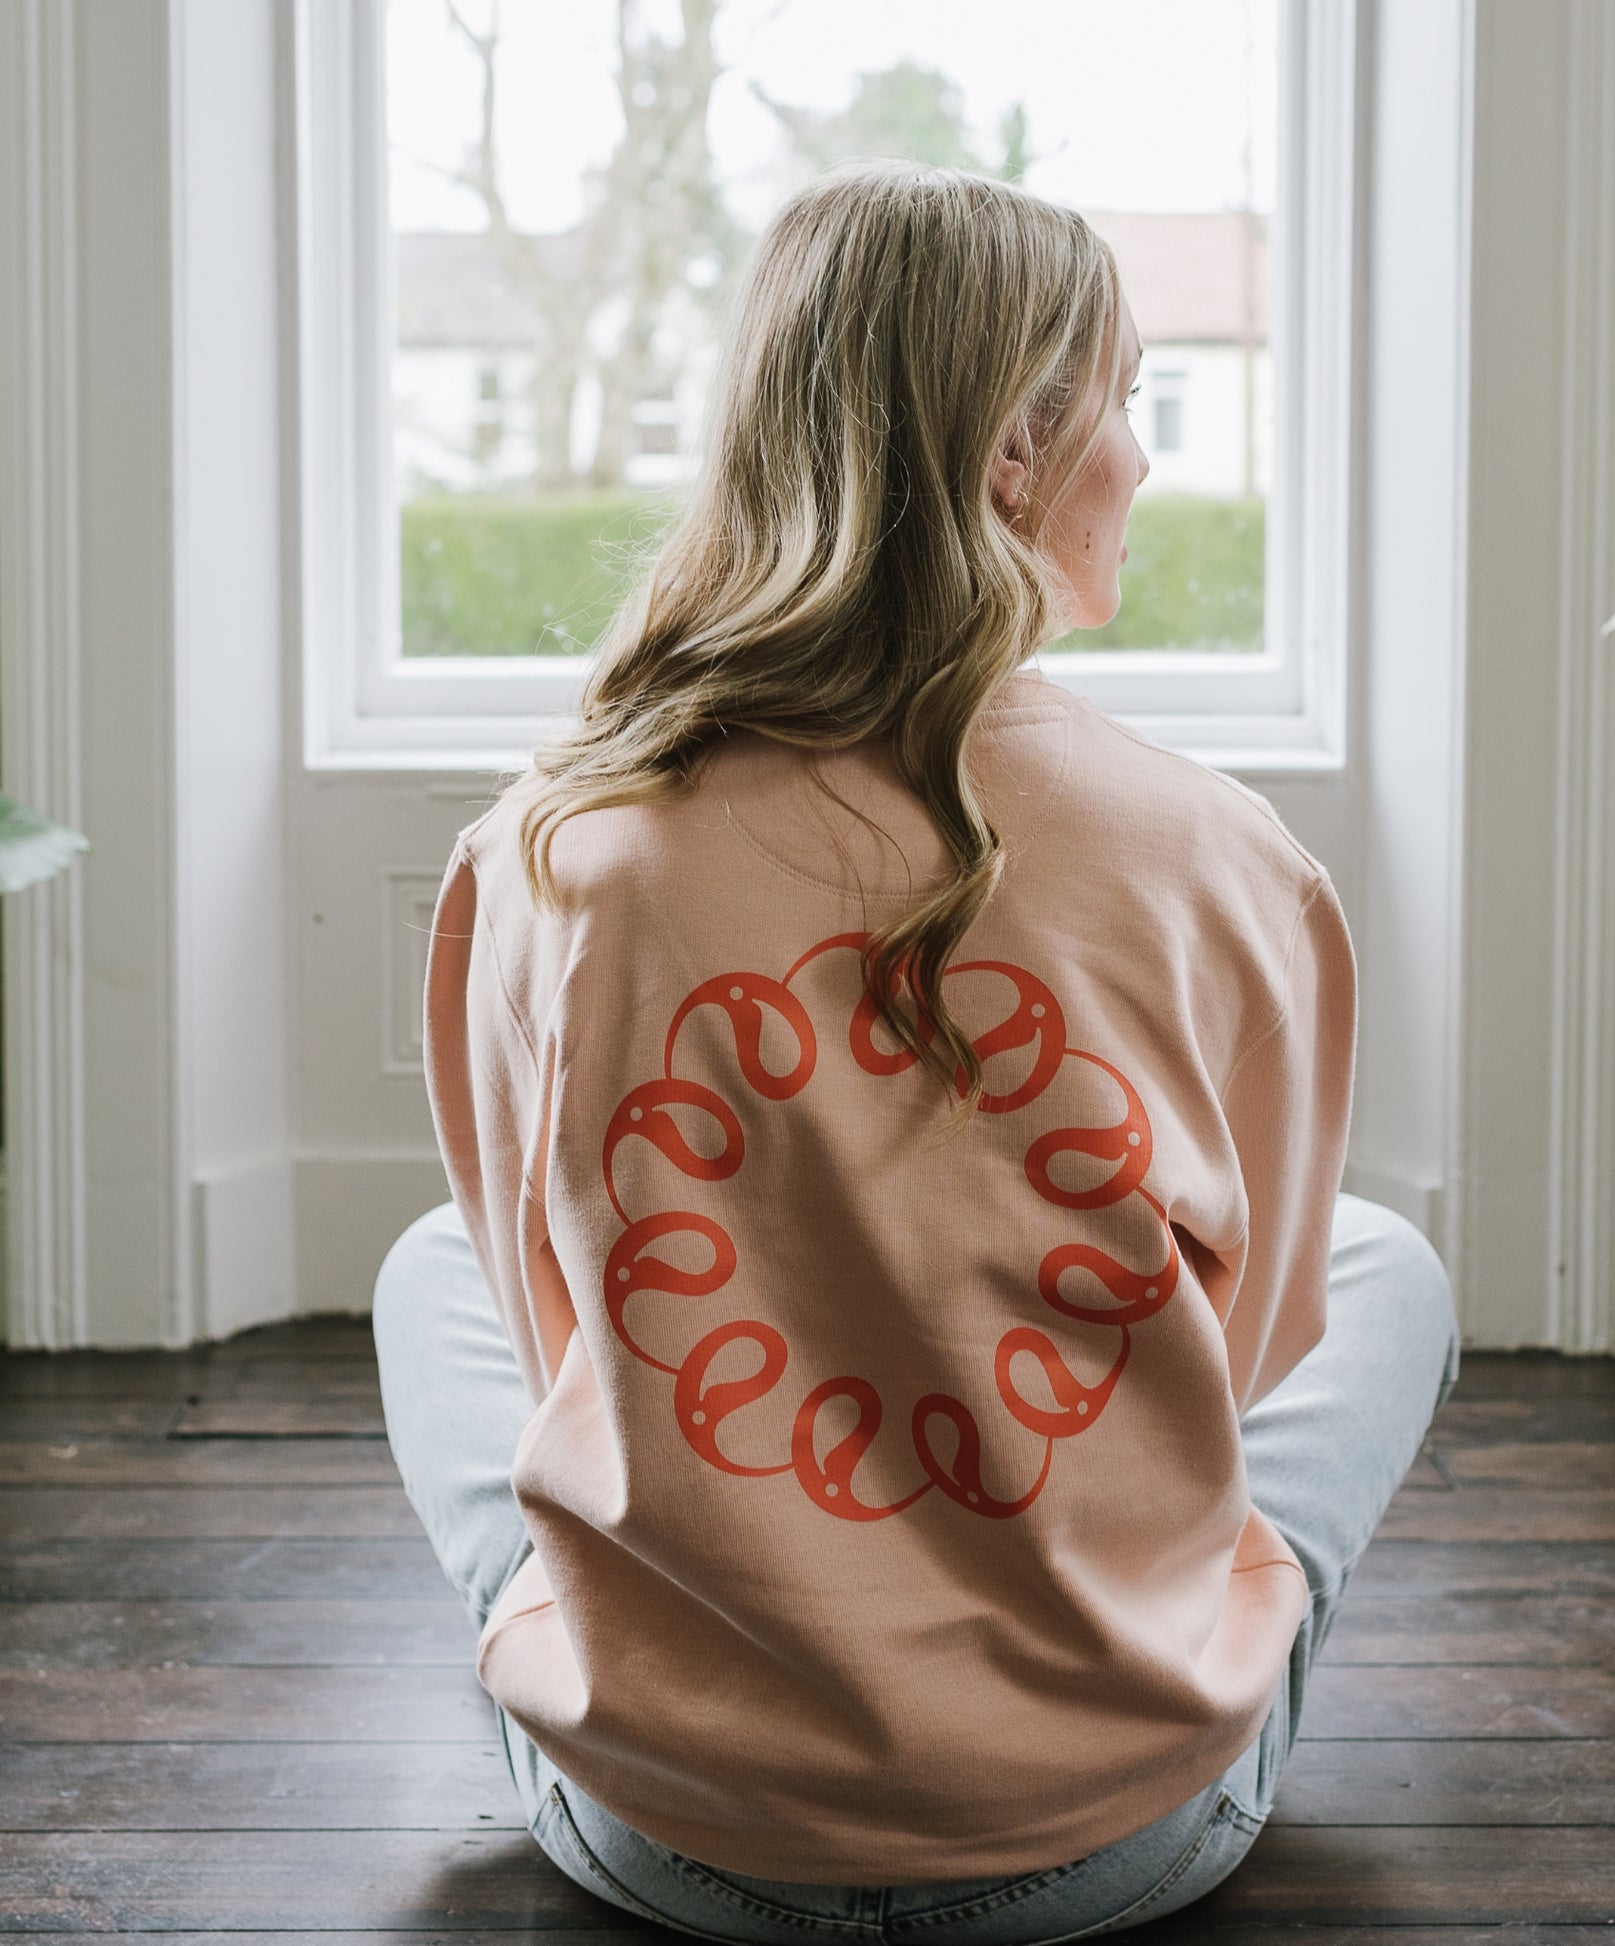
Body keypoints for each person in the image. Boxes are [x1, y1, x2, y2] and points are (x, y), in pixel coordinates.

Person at [374, 160, 1458, 1943]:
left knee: (431, 1265)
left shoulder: (552, 847)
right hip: (1112, 1838)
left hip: (667, 1837)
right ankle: (1173, 1668)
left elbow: (551, 1305)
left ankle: (598, 1652)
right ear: (1015, 459)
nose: (1142, 455)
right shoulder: (1224, 856)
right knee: (1385, 1264)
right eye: (1124, 404)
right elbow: (1244, 1353)